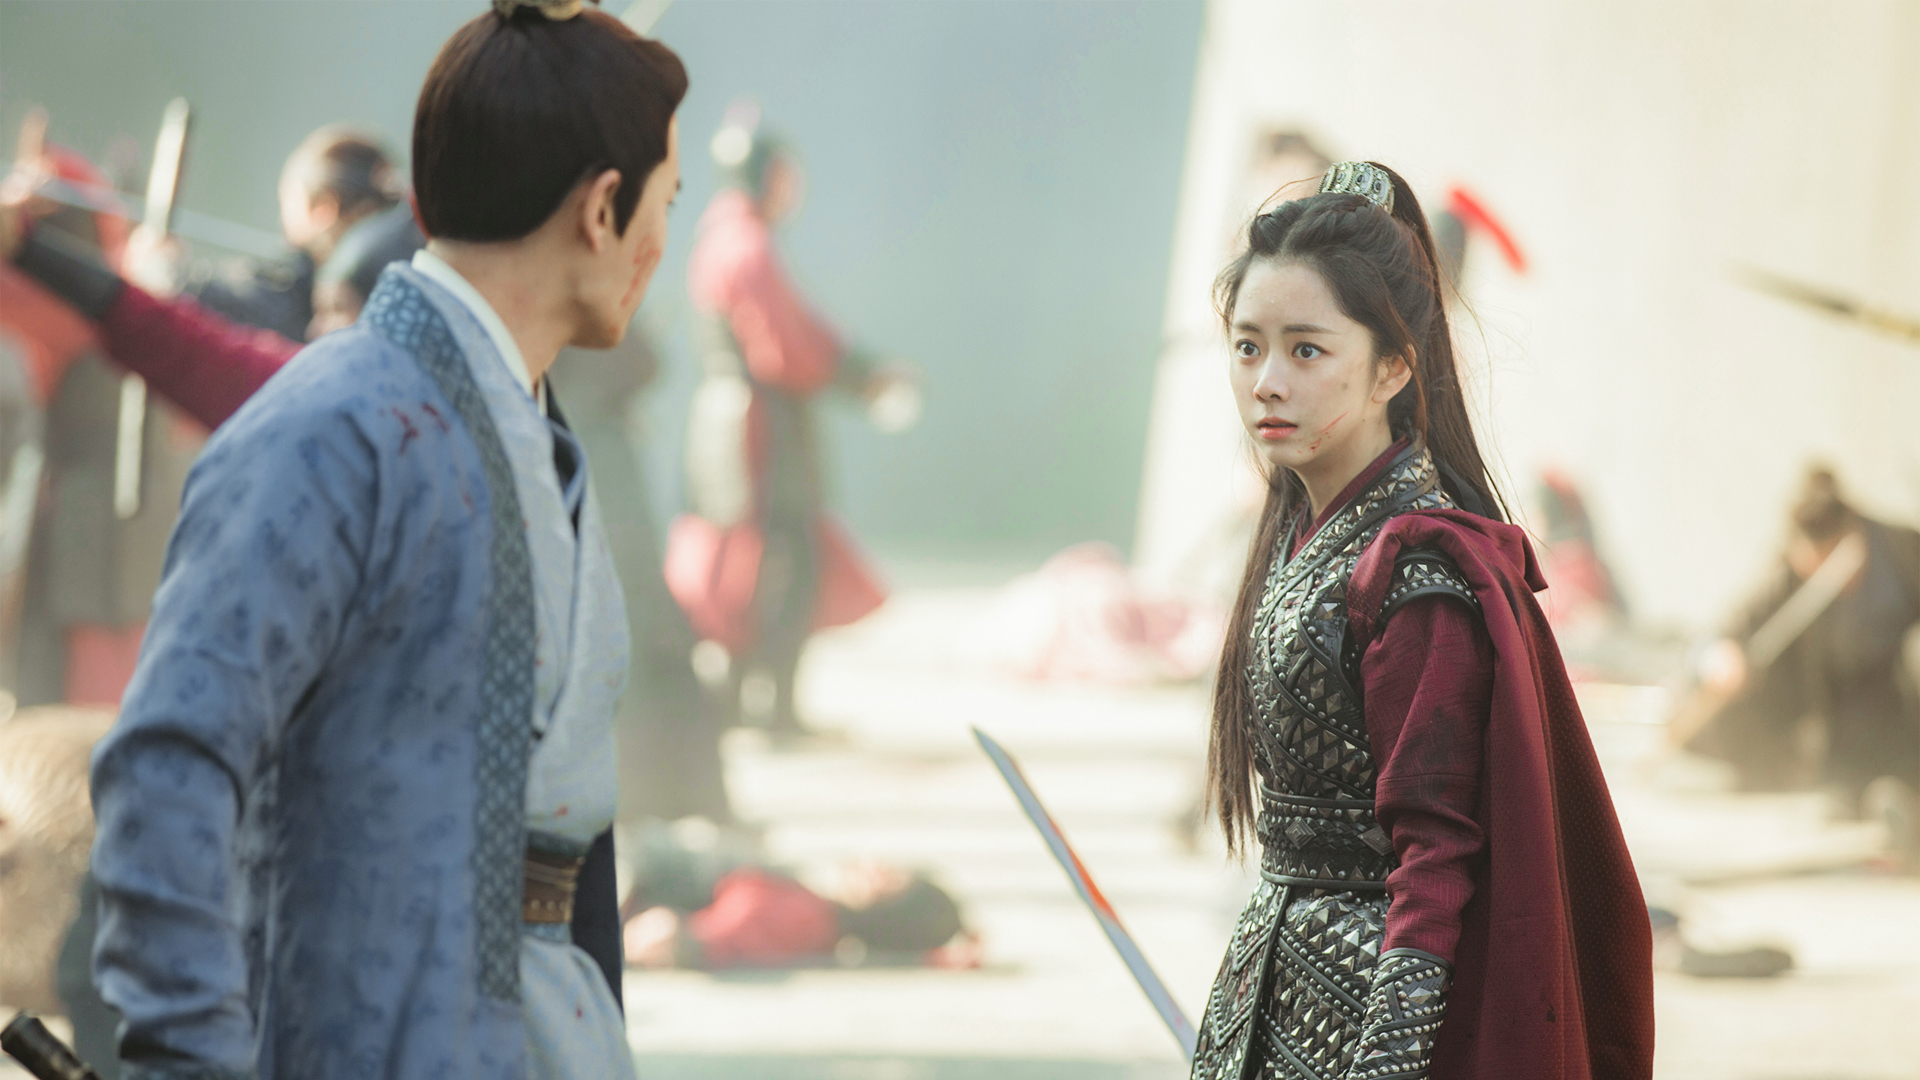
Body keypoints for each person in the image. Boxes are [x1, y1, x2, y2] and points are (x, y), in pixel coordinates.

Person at [84, 4, 686, 1078]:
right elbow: (171, 760)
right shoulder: (334, 424)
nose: (662, 241)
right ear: (603, 209)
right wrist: (187, 1054)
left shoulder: (537, 439)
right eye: (666, 202)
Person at [1188, 162, 1652, 1080]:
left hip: (1370, 1013)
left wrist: (1386, 1061)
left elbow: (1435, 861)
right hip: (1269, 981)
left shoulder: (1417, 575)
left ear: (1393, 366)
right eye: (1247, 347)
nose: (1267, 382)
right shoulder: (1301, 532)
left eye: (1306, 351)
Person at [667, 102, 913, 737]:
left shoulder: (718, 238)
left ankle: (748, 706)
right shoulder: (747, 245)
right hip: (761, 427)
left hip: (728, 417)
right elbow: (787, 347)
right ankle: (772, 713)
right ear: (767, 176)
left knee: (752, 563)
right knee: (786, 564)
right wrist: (863, 377)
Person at [1689, 466, 1920, 817]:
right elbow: (1728, 631)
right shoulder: (1789, 571)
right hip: (1837, 712)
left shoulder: (1901, 549)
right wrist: (1722, 656)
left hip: (1898, 694)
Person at [130, 126, 404, 340]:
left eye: (289, 203)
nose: (281, 219)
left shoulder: (297, 287)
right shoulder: (403, 275)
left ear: (323, 209)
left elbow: (196, 299)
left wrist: (157, 264)